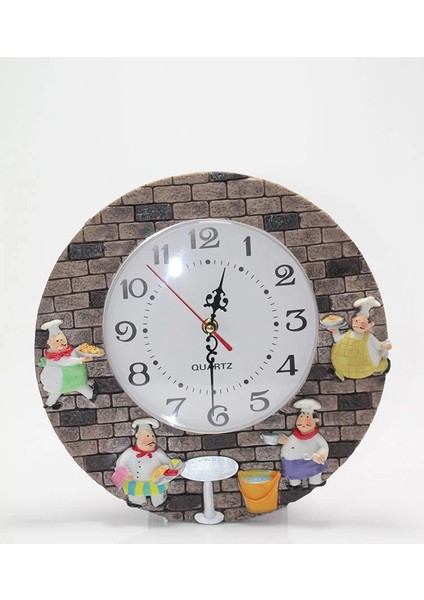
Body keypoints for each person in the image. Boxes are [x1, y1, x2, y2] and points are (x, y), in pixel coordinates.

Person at [114, 418, 184, 508]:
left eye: (152, 436)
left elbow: (167, 462)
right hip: (136, 482)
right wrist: (126, 474)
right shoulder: (129, 453)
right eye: (147, 436)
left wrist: (172, 467)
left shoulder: (158, 453)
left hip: (154, 482)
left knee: (157, 494)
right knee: (136, 495)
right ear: (137, 436)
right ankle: (136, 502)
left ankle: (159, 502)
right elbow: (121, 464)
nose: (151, 439)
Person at [329, 296, 392, 381]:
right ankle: (338, 374)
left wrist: (384, 346)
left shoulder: (369, 337)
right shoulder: (347, 335)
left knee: (378, 365)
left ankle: (384, 366)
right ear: (353, 320)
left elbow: (378, 345)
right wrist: (335, 332)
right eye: (357, 321)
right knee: (340, 366)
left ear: (370, 325)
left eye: (363, 323)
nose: (359, 325)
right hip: (342, 365)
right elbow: (337, 339)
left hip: (367, 367)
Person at [38, 319, 97, 409]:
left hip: (59, 378)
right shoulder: (54, 356)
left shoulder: (63, 350)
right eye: (57, 341)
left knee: (55, 392)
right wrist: (81, 359)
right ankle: (91, 395)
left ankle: (50, 404)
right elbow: (66, 362)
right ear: (49, 343)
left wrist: (80, 349)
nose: (60, 343)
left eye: (62, 340)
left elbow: (72, 353)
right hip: (61, 379)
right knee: (78, 385)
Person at [271, 399, 329, 488]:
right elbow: (287, 441)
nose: (303, 422)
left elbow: (324, 447)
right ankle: (294, 484)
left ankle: (315, 482)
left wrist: (321, 455)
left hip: (311, 462)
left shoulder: (316, 437)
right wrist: (282, 440)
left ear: (315, 420)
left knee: (315, 473)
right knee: (293, 477)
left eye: (307, 417)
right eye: (301, 416)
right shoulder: (294, 436)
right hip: (292, 464)